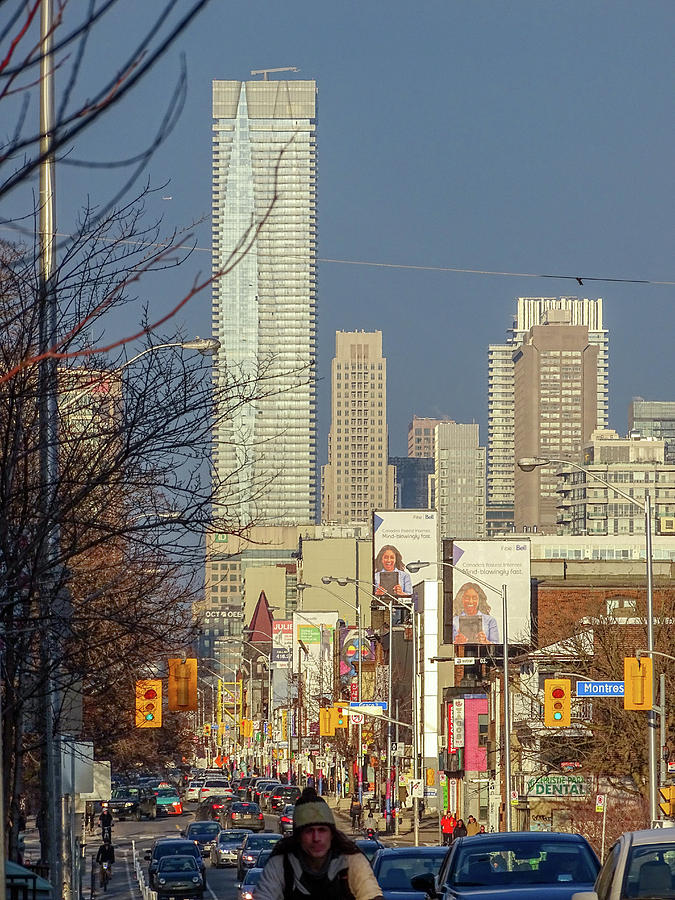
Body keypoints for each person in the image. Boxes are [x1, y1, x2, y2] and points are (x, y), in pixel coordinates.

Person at [255, 787, 383, 900]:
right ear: (298, 836)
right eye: (309, 831)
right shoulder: (282, 864)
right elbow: (265, 894)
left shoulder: (351, 861)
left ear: (332, 834)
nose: (316, 838)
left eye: (322, 830)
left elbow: (370, 893)